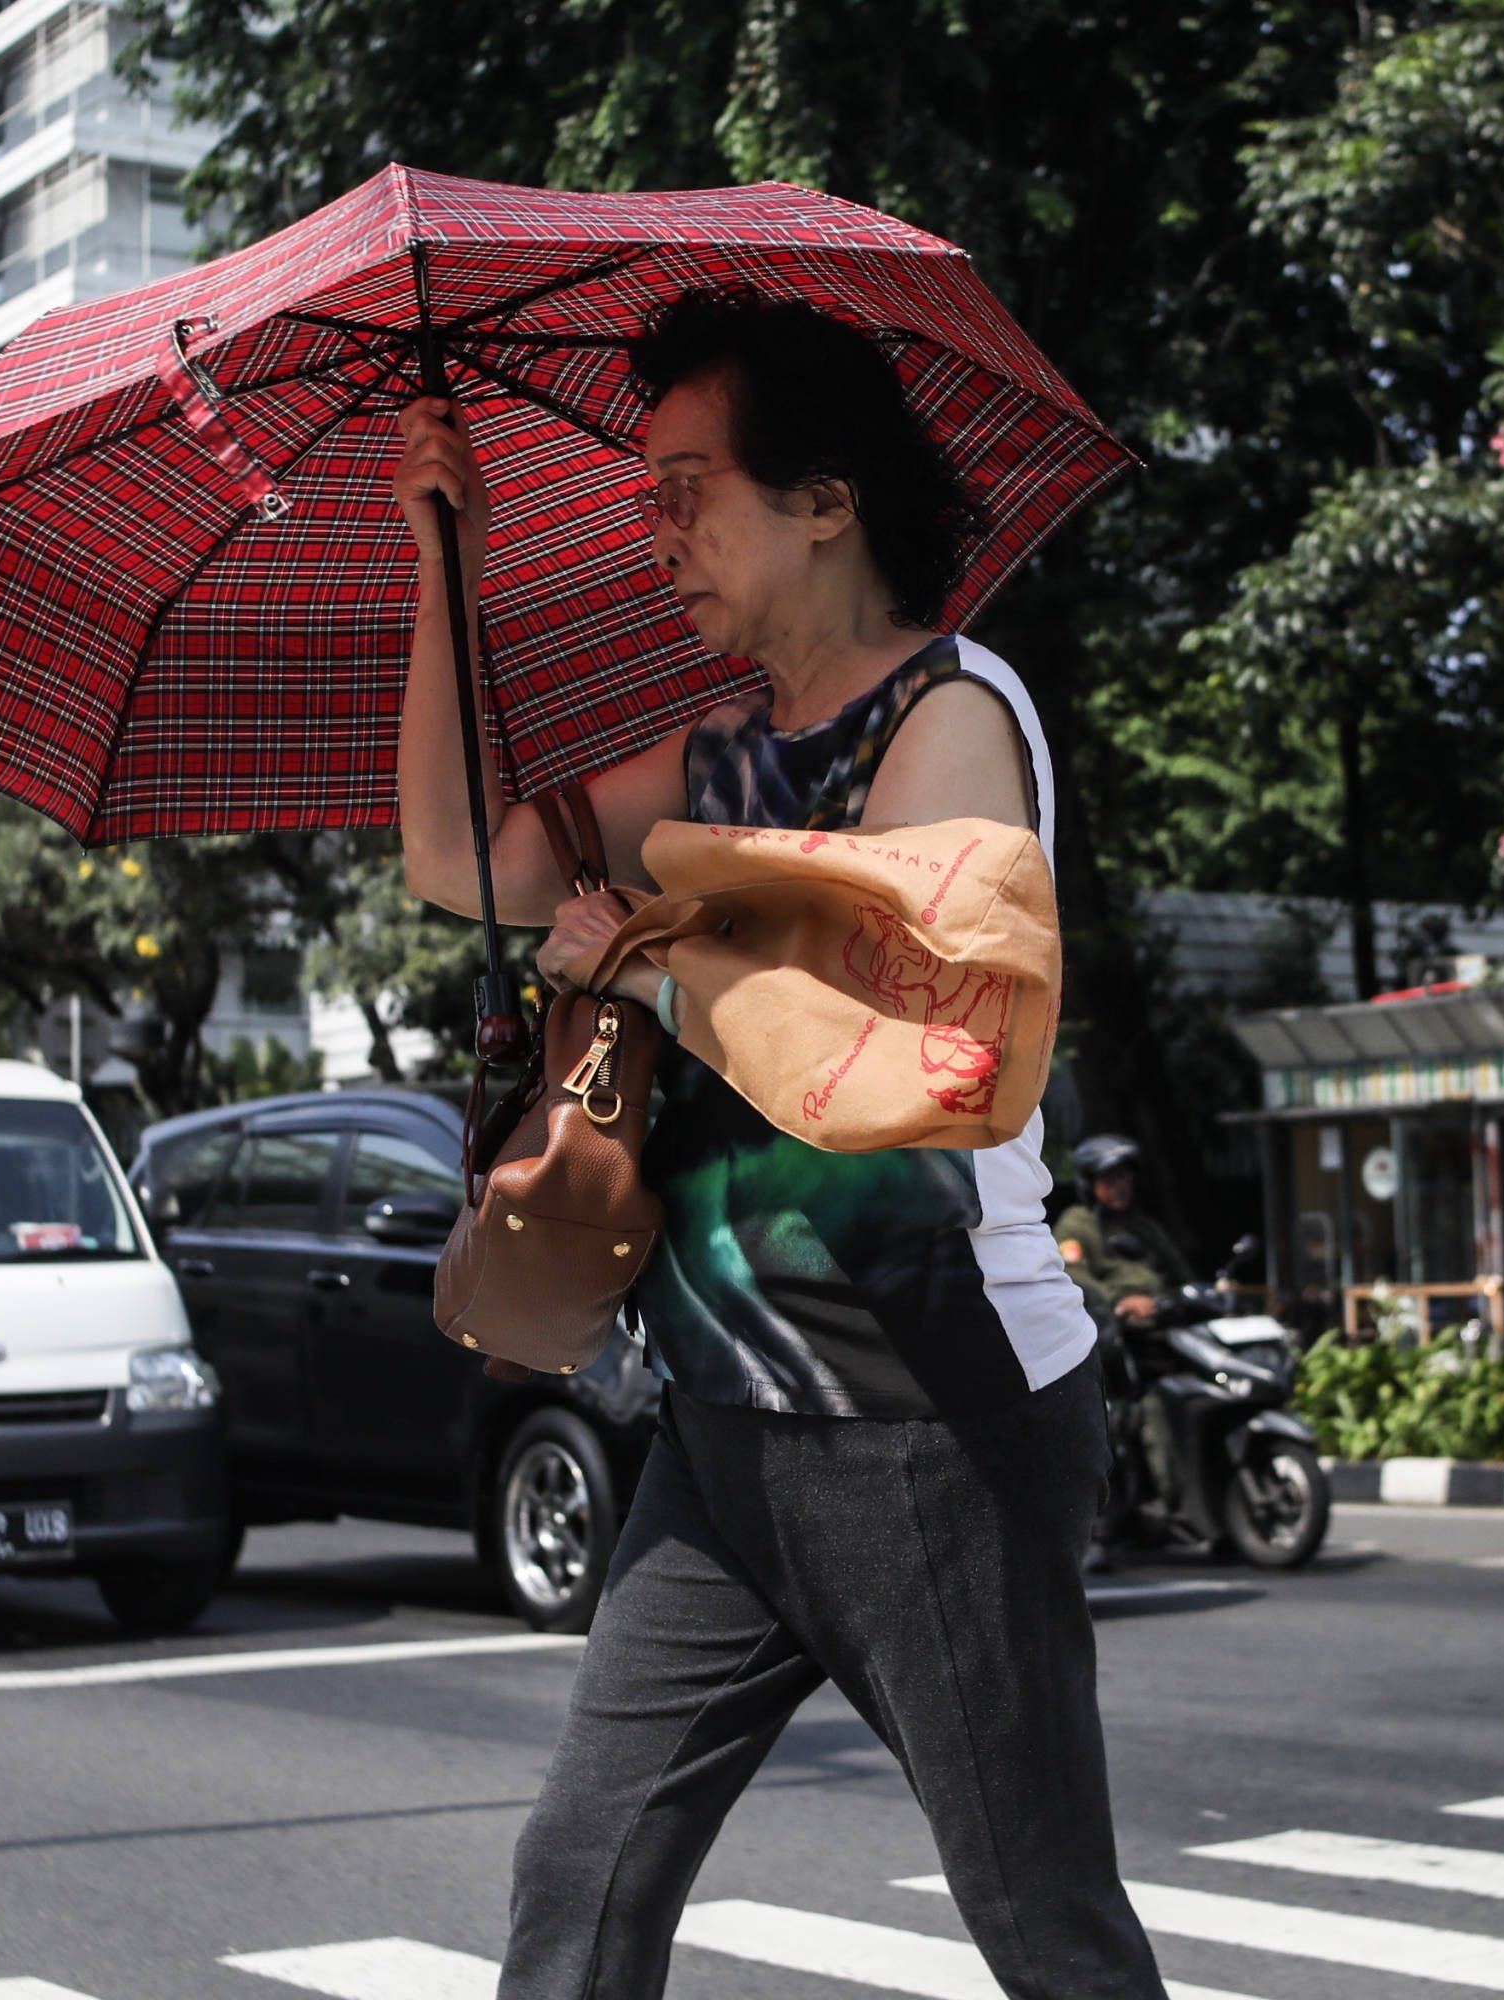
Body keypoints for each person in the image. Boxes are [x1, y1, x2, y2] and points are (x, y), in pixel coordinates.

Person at [391, 289, 1164, 1999]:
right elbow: (455, 855)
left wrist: (652, 958)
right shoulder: (712, 760)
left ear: (827, 498)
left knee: (1047, 1930)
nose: (657, 526)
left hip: (933, 1425)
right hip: (724, 1426)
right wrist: (442, 554)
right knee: (578, 1885)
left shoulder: (954, 716)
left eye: (687, 485)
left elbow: (918, 1060)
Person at [1054, 1134, 1198, 1327]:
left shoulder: (1143, 1226)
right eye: (1110, 1179)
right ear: (1089, 1184)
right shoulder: (1076, 1224)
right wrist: (1119, 1300)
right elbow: (1074, 1276)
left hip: (1163, 1314)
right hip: (1116, 1326)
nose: (1120, 1186)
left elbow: (1179, 1271)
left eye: (1124, 1176)